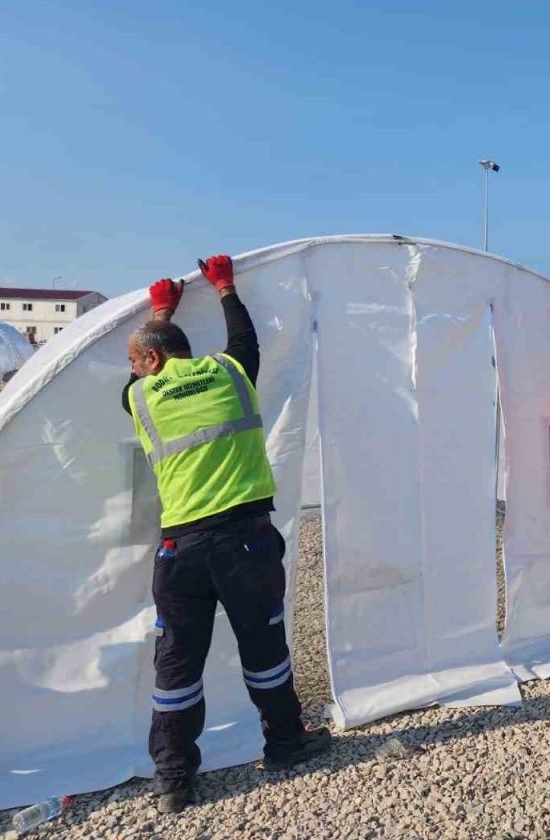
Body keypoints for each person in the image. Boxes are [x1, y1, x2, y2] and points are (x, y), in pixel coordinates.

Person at [123, 255, 330, 814]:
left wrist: (162, 307)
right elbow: (246, 341)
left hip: (180, 550)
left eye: (136, 361)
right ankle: (285, 745)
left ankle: (174, 779)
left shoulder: (141, 398)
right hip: (245, 542)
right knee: (264, 649)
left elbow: (142, 373)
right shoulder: (230, 374)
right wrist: (225, 287)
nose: (135, 372)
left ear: (152, 359)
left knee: (177, 665)